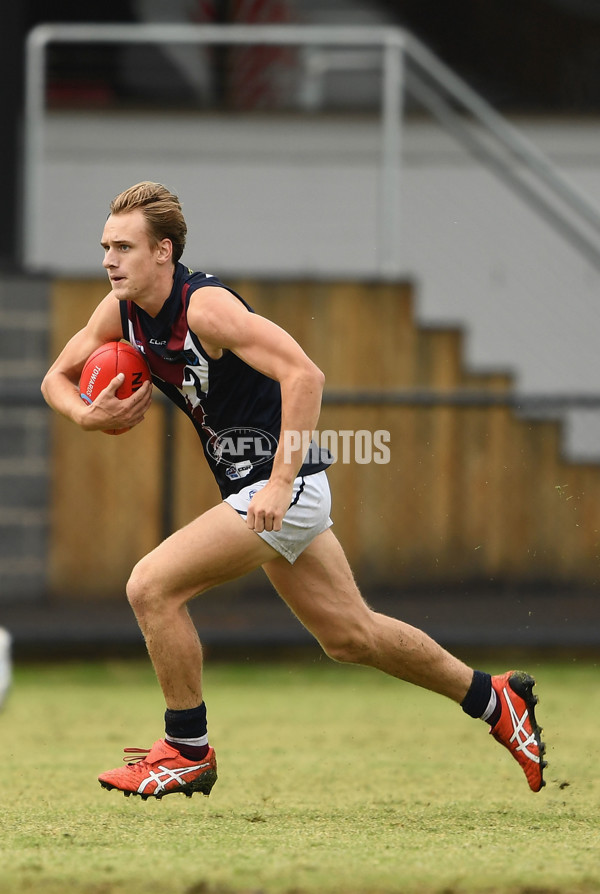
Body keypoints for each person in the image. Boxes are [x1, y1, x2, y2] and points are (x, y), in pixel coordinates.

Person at [41, 181, 546, 800]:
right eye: (104, 246)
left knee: (150, 587)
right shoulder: (118, 313)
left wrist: (280, 483)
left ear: (164, 252)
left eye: (123, 246)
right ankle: (494, 699)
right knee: (350, 637)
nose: (108, 260)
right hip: (257, 491)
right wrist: (87, 416)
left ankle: (186, 750)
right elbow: (56, 379)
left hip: (284, 487)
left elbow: (305, 373)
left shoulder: (206, 309)